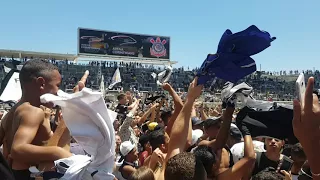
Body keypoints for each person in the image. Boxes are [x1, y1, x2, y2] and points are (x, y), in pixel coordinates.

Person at [0, 59, 75, 180]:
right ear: (41, 83)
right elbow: (18, 149)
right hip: (29, 175)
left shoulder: (12, 112)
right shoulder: (34, 111)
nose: (59, 92)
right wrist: (58, 153)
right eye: (57, 85)